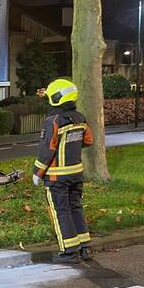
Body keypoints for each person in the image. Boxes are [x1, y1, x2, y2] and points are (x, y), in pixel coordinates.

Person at [33, 78, 95, 263]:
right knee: (75, 207)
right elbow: (88, 141)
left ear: (56, 98)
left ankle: (70, 252)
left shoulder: (52, 121)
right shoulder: (80, 118)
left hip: (57, 177)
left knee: (61, 211)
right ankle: (85, 248)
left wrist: (37, 172)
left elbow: (47, 150)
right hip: (76, 174)